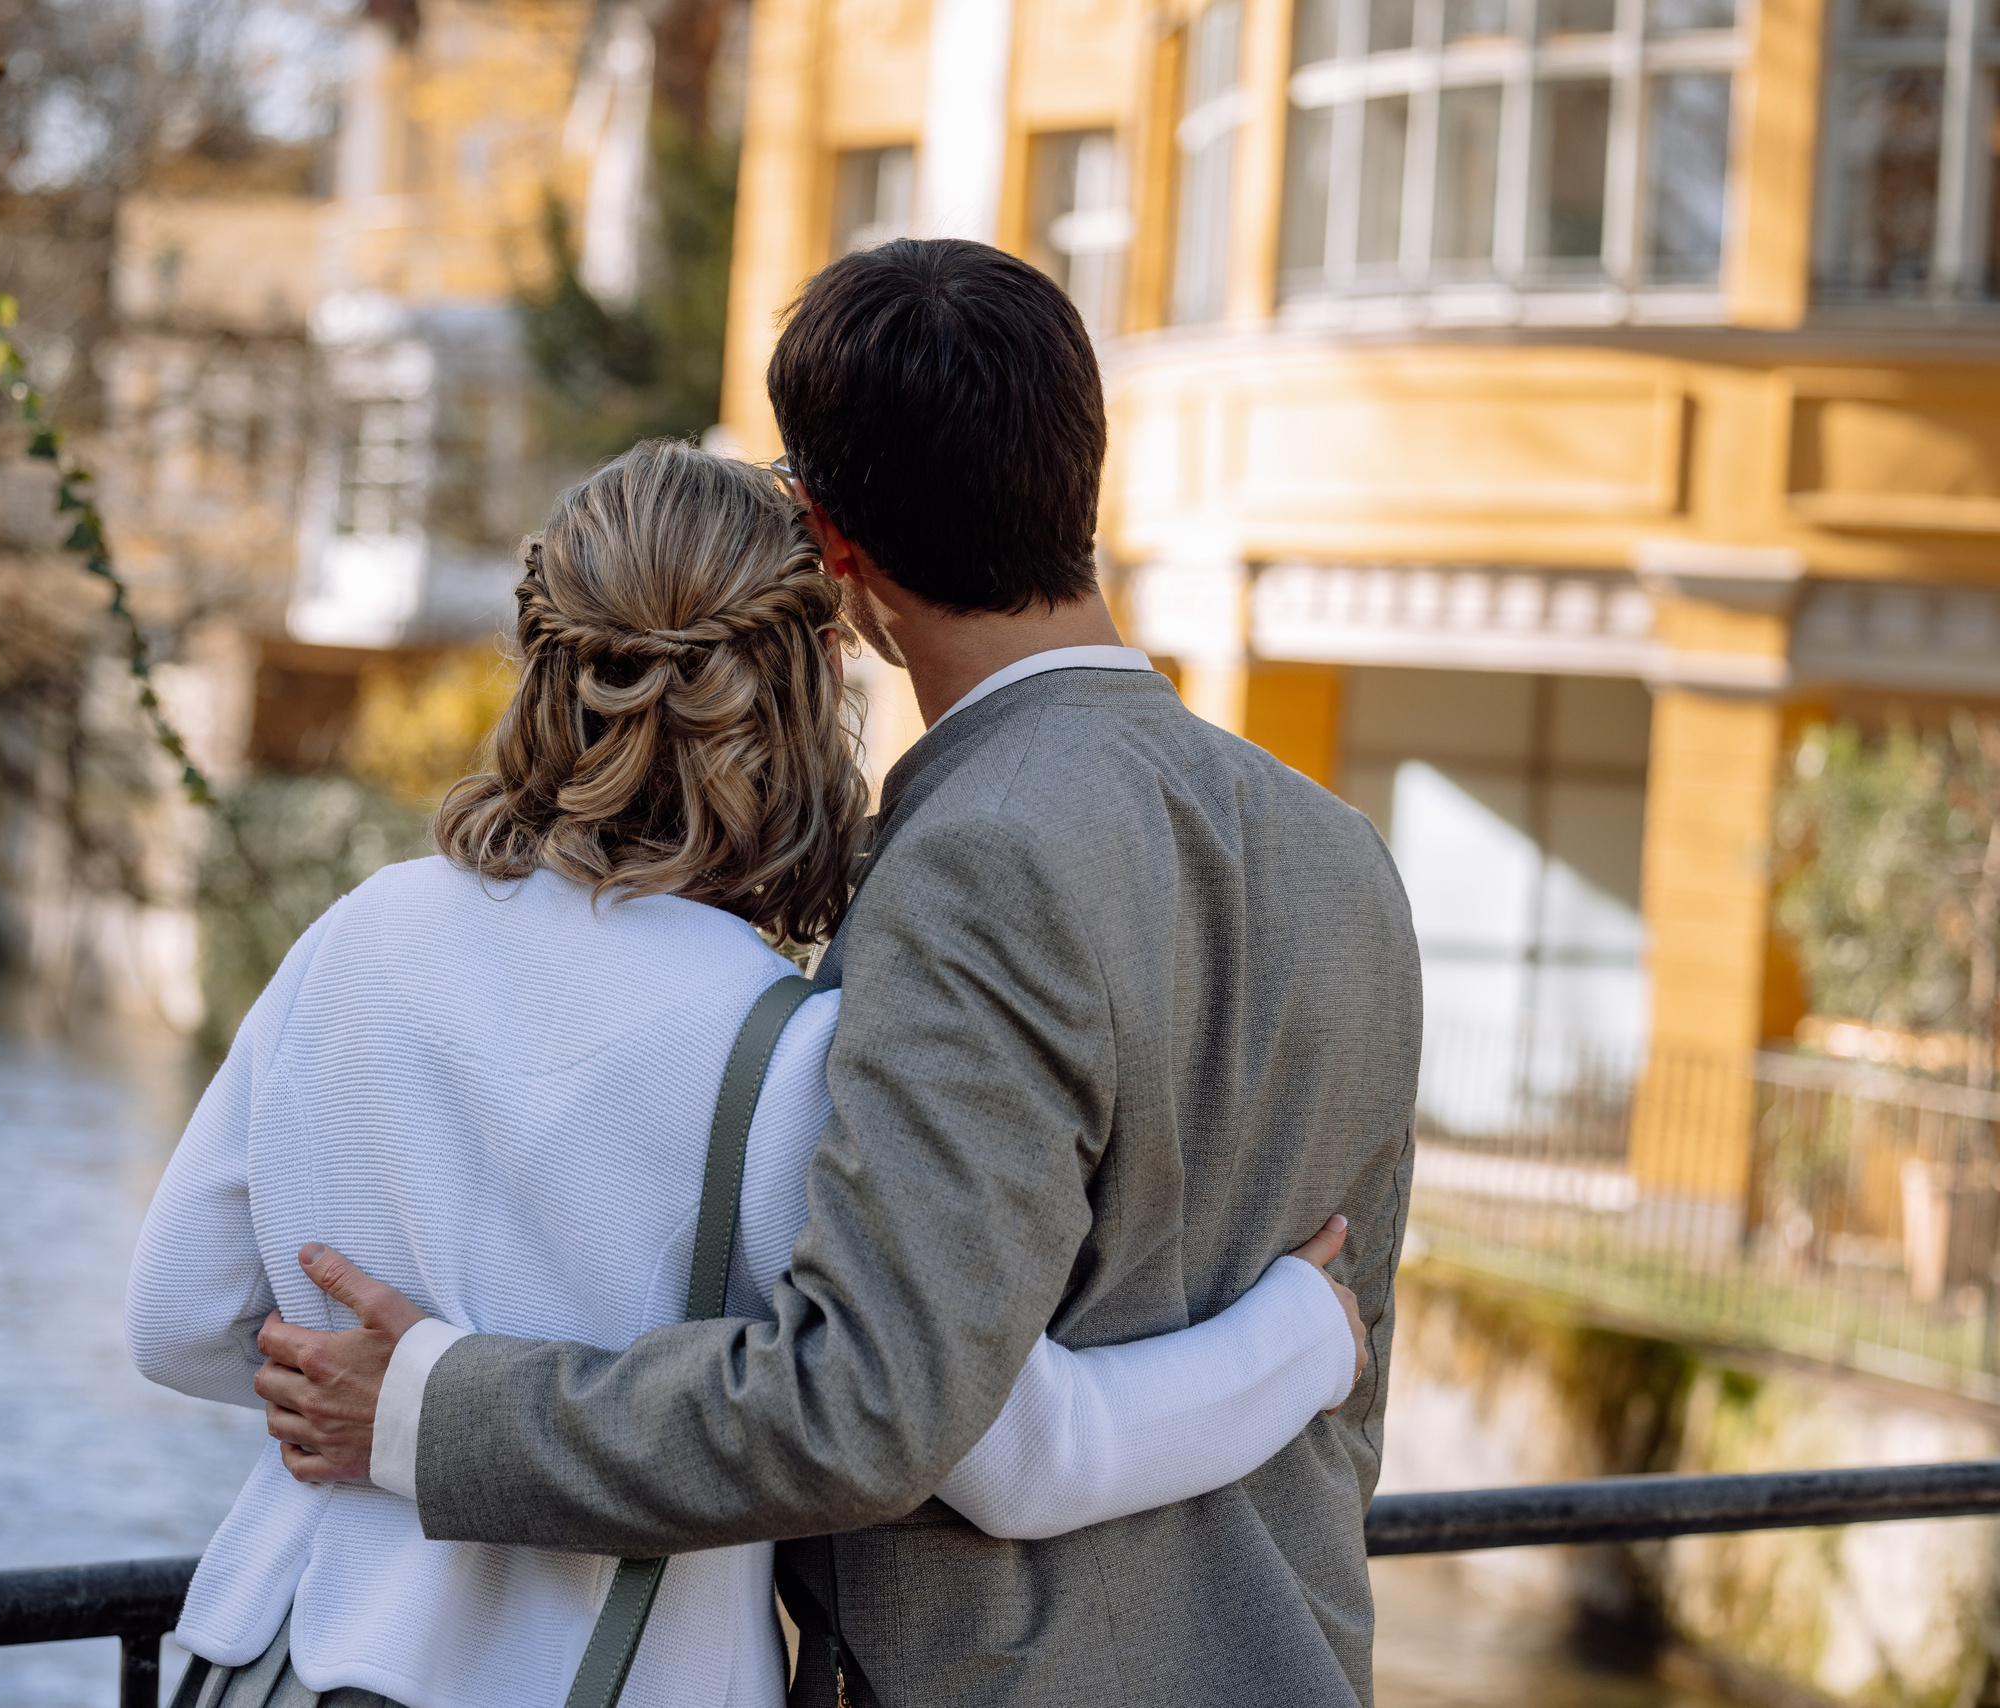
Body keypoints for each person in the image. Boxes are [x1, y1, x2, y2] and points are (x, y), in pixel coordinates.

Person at [254, 239, 1424, 1707]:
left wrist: (433, 1410)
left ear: (832, 548)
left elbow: (873, 1404)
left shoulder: (974, 858)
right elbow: (1352, 1363)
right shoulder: (1342, 854)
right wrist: (1283, 1350)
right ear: (1079, 471)